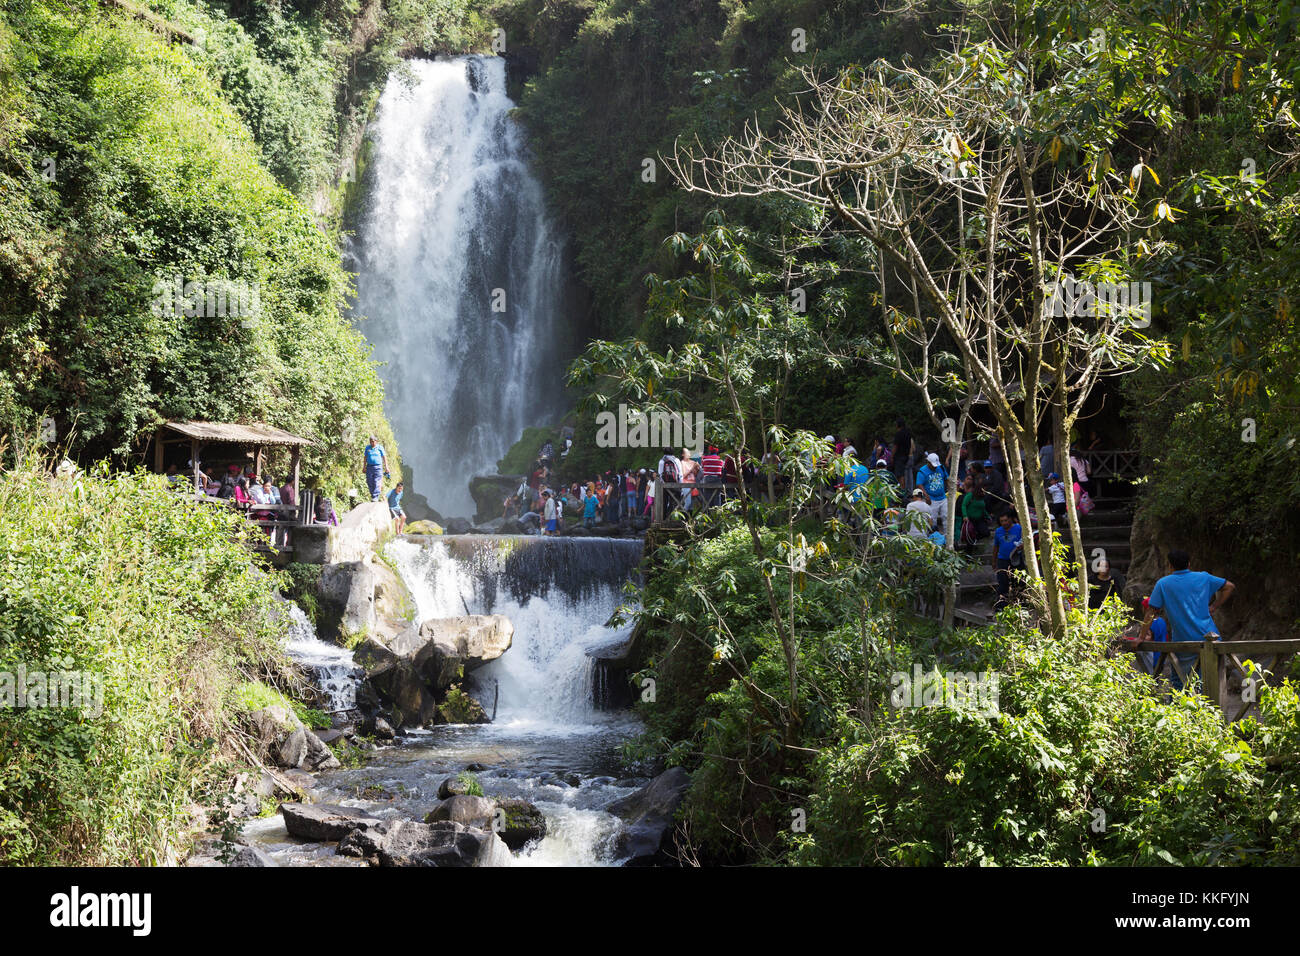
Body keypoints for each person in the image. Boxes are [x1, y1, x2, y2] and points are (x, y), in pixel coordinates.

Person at [1138, 550, 1235, 690]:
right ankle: (1214, 711)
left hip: (1183, 642)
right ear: (1189, 564)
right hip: (1211, 638)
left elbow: (1150, 611)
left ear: (1170, 566)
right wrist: (1214, 606)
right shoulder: (1204, 577)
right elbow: (1229, 586)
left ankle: (1180, 711)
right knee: (1211, 684)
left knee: (1180, 684)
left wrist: (1141, 637)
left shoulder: (1163, 584)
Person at [992, 512, 1024, 607]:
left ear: (1010, 519)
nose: (1004, 523)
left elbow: (1026, 540)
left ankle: (1020, 605)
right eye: (1002, 521)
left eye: (1006, 520)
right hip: (1002, 560)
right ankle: (1001, 606)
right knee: (1002, 584)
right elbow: (996, 547)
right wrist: (994, 561)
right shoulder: (998, 531)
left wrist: (1022, 546)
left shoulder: (1018, 528)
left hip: (1016, 559)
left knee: (1019, 582)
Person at [916, 452, 949, 531]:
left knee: (946, 517)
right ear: (928, 462)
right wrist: (926, 496)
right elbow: (919, 484)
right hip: (932, 498)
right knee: (932, 519)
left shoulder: (940, 467)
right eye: (933, 465)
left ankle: (947, 537)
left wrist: (950, 488)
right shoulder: (922, 471)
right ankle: (932, 537)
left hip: (942, 497)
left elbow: (946, 478)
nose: (935, 467)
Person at [363, 436, 389, 502]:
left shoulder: (380, 447)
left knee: (377, 481)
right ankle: (373, 495)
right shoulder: (367, 448)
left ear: (376, 441)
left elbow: (384, 457)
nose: (372, 442)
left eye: (373, 441)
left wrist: (386, 467)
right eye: (370, 441)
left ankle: (375, 496)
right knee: (369, 481)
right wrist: (364, 467)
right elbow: (365, 457)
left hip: (378, 467)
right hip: (369, 467)